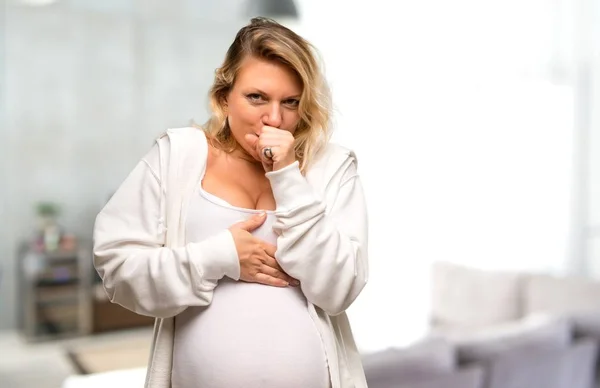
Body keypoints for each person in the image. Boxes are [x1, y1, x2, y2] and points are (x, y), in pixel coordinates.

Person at [93, 17, 369, 388]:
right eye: (256, 97)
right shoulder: (179, 156)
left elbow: (340, 289)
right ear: (224, 98)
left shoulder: (331, 167)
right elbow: (118, 268)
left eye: (290, 102)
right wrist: (220, 257)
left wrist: (287, 175)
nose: (274, 118)